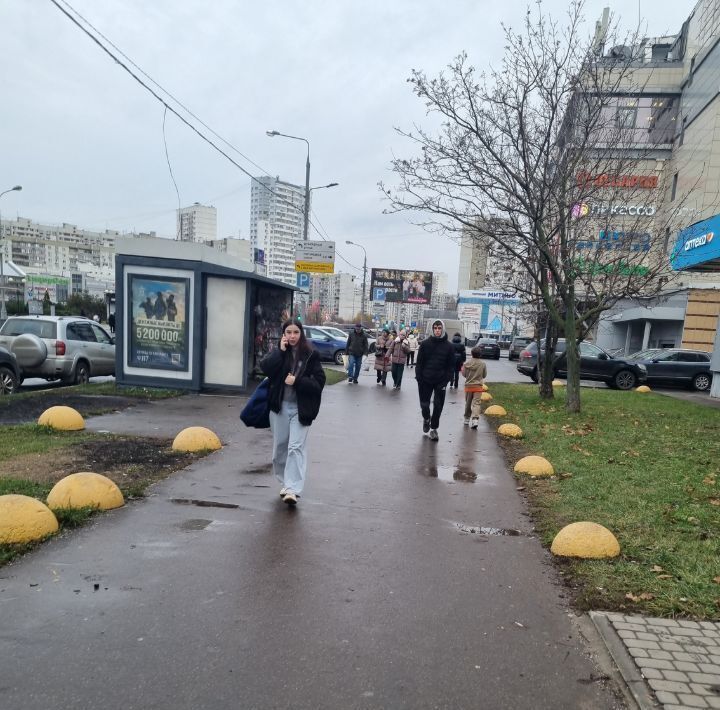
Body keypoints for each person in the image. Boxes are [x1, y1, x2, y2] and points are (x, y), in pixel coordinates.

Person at [261, 317, 326, 506]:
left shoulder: (311, 354)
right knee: (279, 449)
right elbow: (265, 369)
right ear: (284, 334)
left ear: (301, 334)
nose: (292, 336)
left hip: (301, 408)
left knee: (295, 447)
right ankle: (285, 482)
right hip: (280, 407)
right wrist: (279, 353)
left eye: (296, 332)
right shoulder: (280, 352)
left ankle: (292, 489)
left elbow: (319, 383)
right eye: (288, 332)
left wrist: (297, 381)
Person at [415, 319, 455, 441]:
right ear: (432, 329)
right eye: (435, 328)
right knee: (424, 405)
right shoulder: (425, 344)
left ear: (443, 329)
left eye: (439, 328)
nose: (437, 330)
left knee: (438, 406)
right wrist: (419, 378)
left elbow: (450, 367)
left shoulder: (449, 346)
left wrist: (445, 382)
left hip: (440, 382)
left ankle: (434, 429)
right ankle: (426, 418)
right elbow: (419, 363)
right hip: (425, 380)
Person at [462, 345, 488, 429]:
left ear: (471, 354)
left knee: (468, 403)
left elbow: (464, 374)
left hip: (468, 386)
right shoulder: (482, 364)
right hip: (478, 387)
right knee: (476, 403)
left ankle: (466, 419)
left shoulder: (466, 363)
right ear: (480, 355)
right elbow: (484, 375)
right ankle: (475, 420)